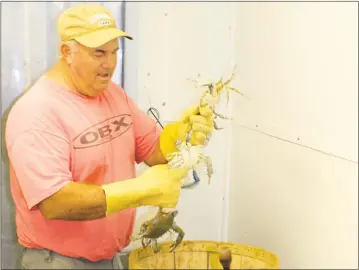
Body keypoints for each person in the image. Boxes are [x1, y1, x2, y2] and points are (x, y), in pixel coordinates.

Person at [4, 3, 214, 270]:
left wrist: (183, 135)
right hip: (57, 262)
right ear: (67, 52)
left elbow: (154, 150)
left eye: (115, 51)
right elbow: (55, 202)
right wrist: (140, 191)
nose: (110, 64)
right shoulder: (36, 112)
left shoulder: (112, 94)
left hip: (108, 259)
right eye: (99, 53)